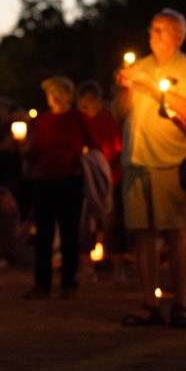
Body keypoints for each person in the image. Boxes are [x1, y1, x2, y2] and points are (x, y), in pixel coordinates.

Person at [115, 9, 186, 327]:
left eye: (162, 30)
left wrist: (151, 85)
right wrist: (126, 87)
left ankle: (181, 302)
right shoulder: (140, 66)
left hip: (168, 160)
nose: (154, 34)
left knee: (176, 232)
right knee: (143, 235)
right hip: (136, 160)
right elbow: (120, 113)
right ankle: (149, 303)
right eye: (152, 28)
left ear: (179, 36)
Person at [23, 76, 91, 300]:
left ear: (64, 95)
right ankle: (42, 283)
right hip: (44, 181)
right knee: (44, 234)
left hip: (69, 181)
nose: (50, 98)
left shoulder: (77, 119)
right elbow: (34, 150)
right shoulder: (43, 120)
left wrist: (84, 165)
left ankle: (68, 283)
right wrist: (24, 150)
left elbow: (94, 145)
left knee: (69, 233)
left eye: (53, 93)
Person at [77, 79, 124, 280]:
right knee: (85, 225)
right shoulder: (78, 121)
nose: (87, 108)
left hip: (111, 179)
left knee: (112, 225)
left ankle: (118, 269)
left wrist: (101, 159)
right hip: (86, 180)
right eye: (83, 104)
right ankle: (86, 268)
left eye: (90, 102)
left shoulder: (109, 118)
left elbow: (118, 145)